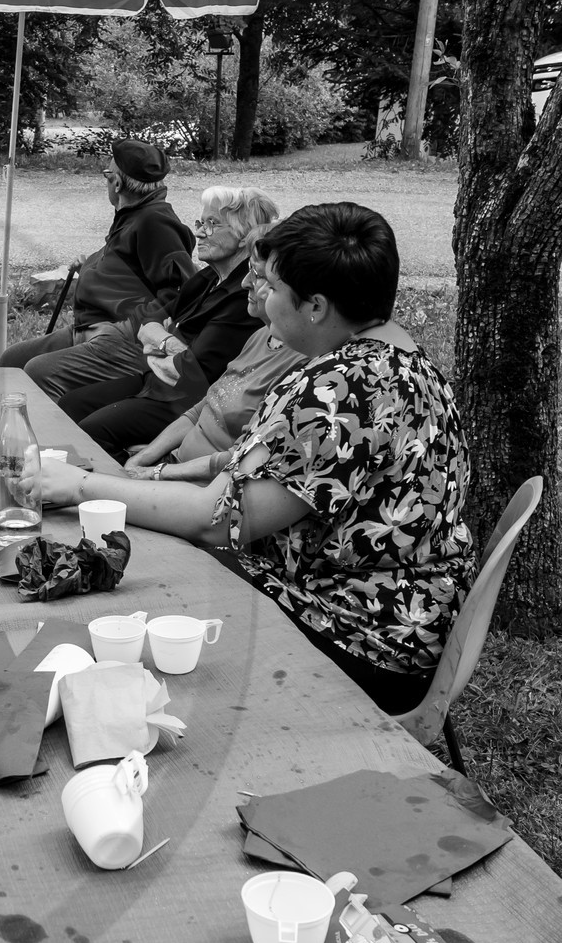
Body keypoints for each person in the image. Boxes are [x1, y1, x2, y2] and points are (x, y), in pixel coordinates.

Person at [36, 203, 476, 713]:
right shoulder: (409, 363)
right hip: (403, 620)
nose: (263, 302)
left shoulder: (335, 392)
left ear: (315, 306)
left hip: (358, 638)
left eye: (271, 288)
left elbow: (215, 521)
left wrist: (79, 487)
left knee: (140, 590)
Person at [59, 187, 280, 453]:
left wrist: (159, 339)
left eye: (212, 225)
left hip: (181, 402)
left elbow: (191, 372)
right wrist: (167, 341)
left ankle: (122, 485)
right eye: (200, 223)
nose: (199, 232)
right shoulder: (206, 279)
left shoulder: (240, 298)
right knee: (71, 404)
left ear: (244, 236)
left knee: (94, 430)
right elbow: (148, 322)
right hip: (154, 383)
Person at [0, 139, 194, 379]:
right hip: (88, 328)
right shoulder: (133, 215)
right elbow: (130, 266)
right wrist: (91, 265)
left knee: (38, 372)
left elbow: (181, 291)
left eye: (106, 175)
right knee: (12, 360)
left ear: (118, 183)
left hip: (117, 336)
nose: (106, 182)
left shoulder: (155, 223)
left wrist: (133, 327)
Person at [122, 251, 306, 482]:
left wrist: (156, 473)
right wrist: (143, 459)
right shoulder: (261, 335)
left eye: (259, 276)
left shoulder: (302, 366)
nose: (245, 282)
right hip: (174, 464)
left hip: (201, 488)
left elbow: (239, 458)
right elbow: (201, 409)